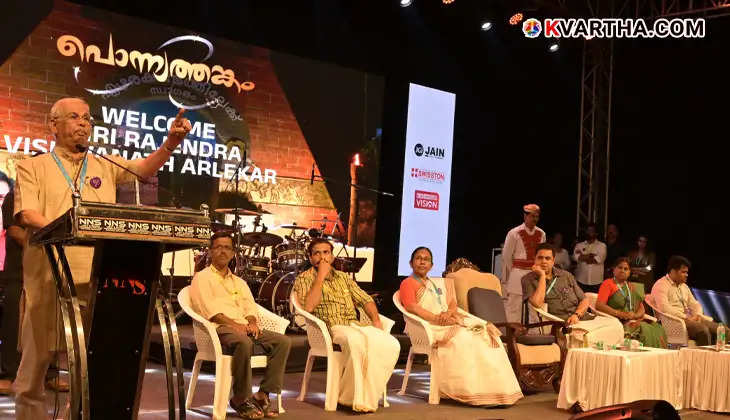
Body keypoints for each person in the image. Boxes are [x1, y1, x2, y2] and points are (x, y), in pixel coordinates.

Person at [12, 97, 192, 419]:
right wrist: (72, 228)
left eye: (87, 118)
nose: (84, 123)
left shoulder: (105, 163)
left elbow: (143, 169)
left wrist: (171, 142)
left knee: (91, 368)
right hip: (48, 278)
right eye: (74, 117)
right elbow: (26, 214)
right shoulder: (32, 166)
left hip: (95, 279)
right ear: (53, 125)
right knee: (34, 370)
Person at [400, 247, 523, 406]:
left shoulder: (438, 283)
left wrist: (448, 314)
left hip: (449, 320)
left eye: (426, 259)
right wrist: (437, 318)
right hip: (429, 327)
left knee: (485, 334)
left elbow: (452, 304)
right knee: (465, 339)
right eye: (418, 258)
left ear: (431, 265)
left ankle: (494, 391)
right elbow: (412, 307)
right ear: (411, 263)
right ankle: (469, 392)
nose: (422, 261)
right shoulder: (407, 283)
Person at [191, 232, 291, 419]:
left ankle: (263, 394)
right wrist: (235, 325)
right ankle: (240, 398)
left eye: (227, 247)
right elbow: (209, 311)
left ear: (233, 253)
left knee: (283, 341)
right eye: (218, 247)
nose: (222, 251)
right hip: (217, 329)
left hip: (244, 328)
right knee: (243, 342)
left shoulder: (240, 282)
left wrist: (252, 322)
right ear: (211, 251)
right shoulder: (202, 278)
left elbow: (250, 307)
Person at [294, 238, 399, 412]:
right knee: (357, 342)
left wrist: (376, 320)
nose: (322, 257)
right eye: (317, 253)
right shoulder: (304, 279)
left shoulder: (343, 277)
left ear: (332, 256)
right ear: (311, 258)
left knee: (391, 344)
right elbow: (309, 307)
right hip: (330, 329)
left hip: (354, 325)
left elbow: (365, 299)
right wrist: (320, 277)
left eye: (326, 252)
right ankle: (355, 400)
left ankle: (355, 396)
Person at [523, 243, 624, 346]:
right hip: (560, 323)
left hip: (580, 318)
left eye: (547, 258)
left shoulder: (566, 275)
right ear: (534, 259)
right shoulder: (528, 279)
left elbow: (584, 300)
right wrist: (542, 276)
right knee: (588, 335)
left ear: (553, 261)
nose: (544, 261)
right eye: (540, 258)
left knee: (616, 324)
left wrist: (577, 314)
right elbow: (537, 303)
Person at [596, 257, 667, 348]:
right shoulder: (608, 283)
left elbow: (641, 308)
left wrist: (634, 316)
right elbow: (599, 305)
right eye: (620, 267)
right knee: (643, 329)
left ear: (629, 272)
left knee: (657, 327)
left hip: (632, 318)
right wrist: (620, 313)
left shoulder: (632, 286)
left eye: (626, 269)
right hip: (617, 320)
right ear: (614, 269)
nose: (622, 270)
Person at [651, 256, 719, 346]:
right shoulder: (661, 285)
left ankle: (718, 359)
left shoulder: (684, 286)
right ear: (673, 271)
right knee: (703, 330)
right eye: (683, 272)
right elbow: (664, 308)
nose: (686, 275)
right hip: (676, 322)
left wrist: (697, 315)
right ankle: (703, 359)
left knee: (722, 330)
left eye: (687, 272)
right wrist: (685, 317)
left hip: (690, 319)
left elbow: (695, 304)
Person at [501, 203, 546, 323]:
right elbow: (506, 256)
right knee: (514, 306)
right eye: (532, 216)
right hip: (518, 273)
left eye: (537, 216)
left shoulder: (541, 234)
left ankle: (534, 334)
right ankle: (512, 334)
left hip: (533, 274)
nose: (535, 219)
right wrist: (515, 270)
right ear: (525, 216)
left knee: (533, 307)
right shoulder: (514, 233)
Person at [572, 223, 606, 293]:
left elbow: (597, 260)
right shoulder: (579, 245)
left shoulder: (602, 246)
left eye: (591, 231)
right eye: (587, 231)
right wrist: (591, 255)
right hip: (580, 280)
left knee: (594, 303)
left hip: (596, 281)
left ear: (596, 233)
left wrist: (583, 256)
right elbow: (576, 258)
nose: (589, 232)